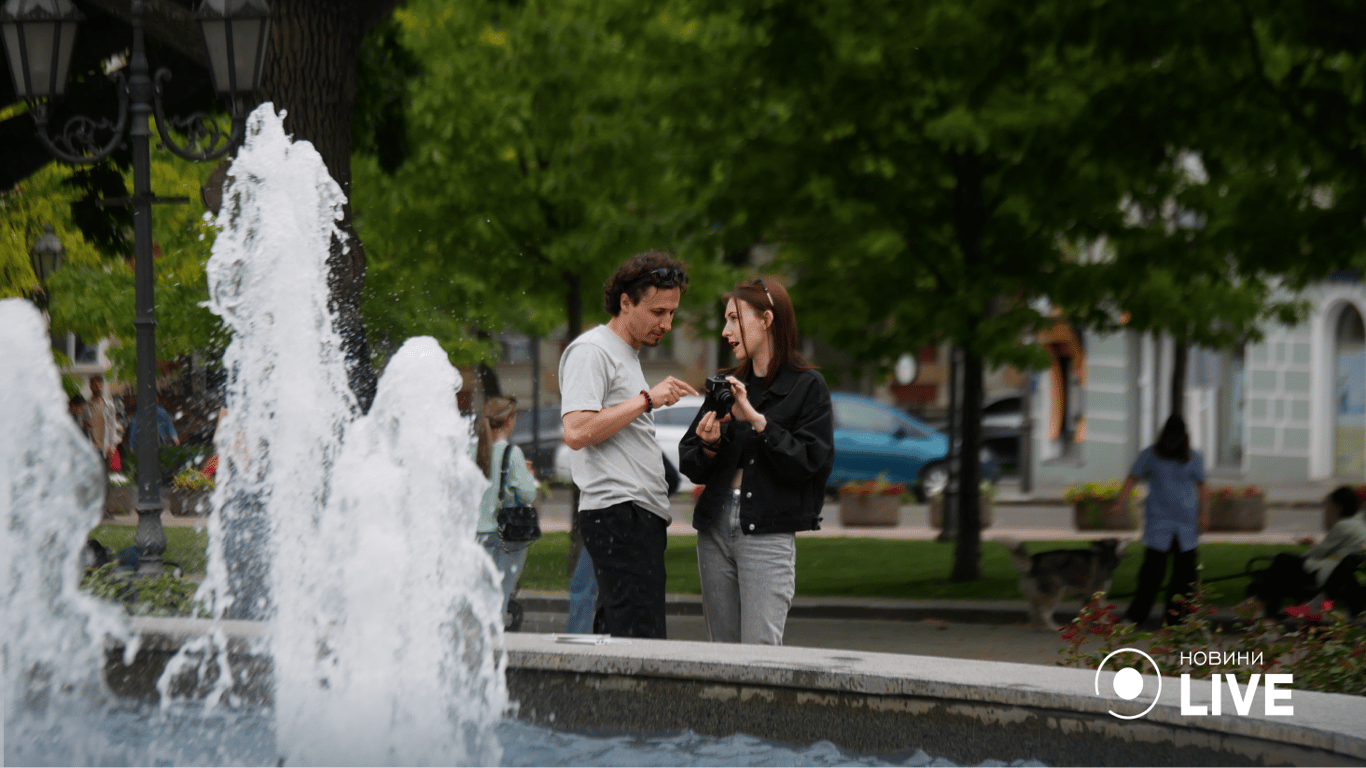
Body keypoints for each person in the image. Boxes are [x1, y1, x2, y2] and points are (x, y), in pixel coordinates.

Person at [678, 277, 834, 645]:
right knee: (723, 651)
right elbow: (690, 459)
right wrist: (709, 445)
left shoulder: (808, 386)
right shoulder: (725, 384)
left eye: (734, 319)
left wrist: (758, 421)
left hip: (767, 529)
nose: (725, 330)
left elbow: (811, 462)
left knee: (760, 655)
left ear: (765, 320)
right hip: (714, 526)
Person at [559, 251, 699, 639]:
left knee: (623, 637)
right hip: (619, 512)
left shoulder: (624, 354)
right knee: (640, 640)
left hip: (636, 515)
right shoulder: (593, 351)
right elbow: (576, 431)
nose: (667, 324)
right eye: (657, 312)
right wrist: (648, 400)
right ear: (625, 301)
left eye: (672, 313)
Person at [1112, 414, 1209, 626]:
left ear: (1184, 438)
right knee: (1152, 574)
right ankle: (1136, 616)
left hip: (1186, 525)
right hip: (1159, 523)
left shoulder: (1194, 457)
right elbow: (1132, 477)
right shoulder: (1150, 455)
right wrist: (1121, 502)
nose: (1171, 444)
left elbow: (1203, 486)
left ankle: (1177, 619)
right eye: (1168, 439)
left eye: (1176, 440)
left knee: (1185, 576)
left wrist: (1205, 514)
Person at [1248, 486, 1366, 618]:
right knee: (1278, 569)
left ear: (1338, 507)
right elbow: (1333, 548)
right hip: (1337, 570)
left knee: (1282, 560)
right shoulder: (1359, 525)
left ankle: (1260, 606)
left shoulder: (1344, 526)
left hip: (1326, 572)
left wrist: (1301, 558)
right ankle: (1268, 608)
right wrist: (1313, 546)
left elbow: (1321, 552)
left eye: (1330, 506)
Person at [474, 396, 539, 628]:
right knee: (499, 597)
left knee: (480, 598)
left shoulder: (473, 450)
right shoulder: (512, 453)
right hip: (505, 536)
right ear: (509, 420)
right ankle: (495, 651)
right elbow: (528, 494)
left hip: (476, 536)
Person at [87, 375, 120, 466]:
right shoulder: (87, 406)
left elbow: (113, 426)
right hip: (91, 447)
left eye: (100, 386)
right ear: (90, 387)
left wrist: (112, 447)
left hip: (105, 448)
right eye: (95, 386)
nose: (98, 388)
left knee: (105, 476)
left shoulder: (109, 405)